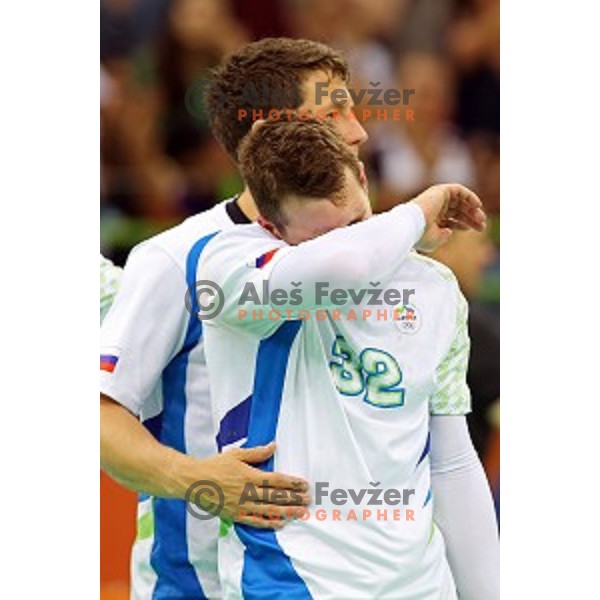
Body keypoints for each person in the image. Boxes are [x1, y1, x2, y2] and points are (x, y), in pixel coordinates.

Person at [101, 38, 371, 600]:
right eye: (332, 113)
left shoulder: (368, 253)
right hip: (197, 585)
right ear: (274, 134)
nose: (358, 132)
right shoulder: (177, 257)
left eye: (354, 109)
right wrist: (197, 481)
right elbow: (99, 418)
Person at [198, 118, 498, 599]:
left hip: (422, 586)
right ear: (272, 228)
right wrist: (419, 211)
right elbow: (350, 263)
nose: (353, 241)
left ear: (362, 178)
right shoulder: (231, 274)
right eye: (324, 237)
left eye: (356, 224)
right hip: (290, 584)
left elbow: (452, 462)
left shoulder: (434, 288)